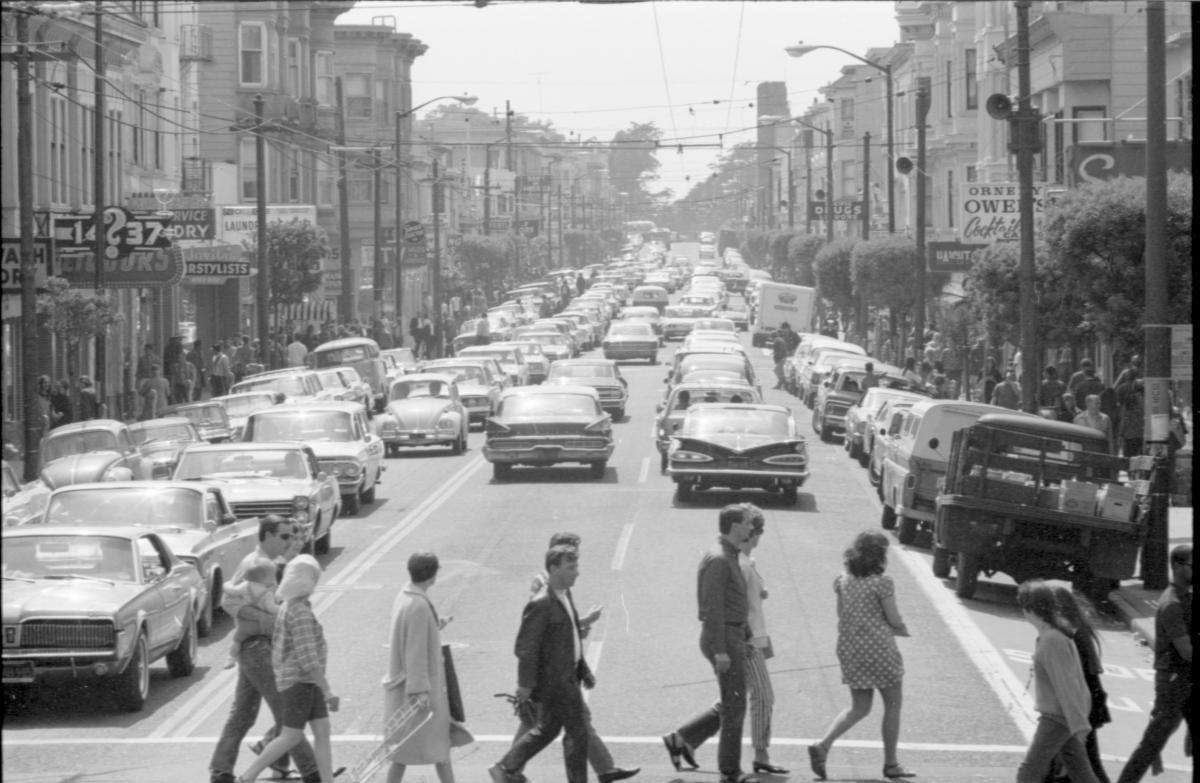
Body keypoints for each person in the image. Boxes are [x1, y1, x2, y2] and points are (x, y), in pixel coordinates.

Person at [209, 516, 325, 783]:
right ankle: (313, 772)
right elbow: (228, 600)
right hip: (257, 647)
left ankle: (222, 771)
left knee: (243, 714)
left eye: (291, 537)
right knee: (288, 713)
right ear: (268, 535)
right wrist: (265, 621)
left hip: (260, 646)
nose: (288, 542)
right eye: (284, 536)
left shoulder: (273, 565)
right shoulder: (254, 564)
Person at [518, 534, 639, 783]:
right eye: (571, 558)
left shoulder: (561, 586)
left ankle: (605, 768)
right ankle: (509, 768)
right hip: (551, 675)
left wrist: (579, 631)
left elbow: (564, 625)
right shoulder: (544, 588)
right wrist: (526, 682)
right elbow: (534, 637)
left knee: (567, 724)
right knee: (543, 725)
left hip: (564, 672)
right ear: (555, 558)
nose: (576, 565)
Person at [662, 504, 758, 783]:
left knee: (733, 701)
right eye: (747, 523)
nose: (751, 528)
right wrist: (720, 650)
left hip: (732, 634)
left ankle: (683, 739)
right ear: (734, 526)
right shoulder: (719, 559)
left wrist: (747, 635)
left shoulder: (728, 555)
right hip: (724, 637)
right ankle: (730, 770)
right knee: (734, 705)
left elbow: (733, 602)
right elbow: (713, 607)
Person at [808, 531, 913, 781]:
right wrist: (900, 628)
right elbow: (893, 617)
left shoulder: (842, 580)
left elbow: (841, 616)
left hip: (850, 648)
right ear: (879, 556)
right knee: (893, 704)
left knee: (859, 707)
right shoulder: (882, 582)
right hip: (879, 648)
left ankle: (823, 745)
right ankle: (891, 763)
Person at [489, 545, 592, 783]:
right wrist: (525, 685)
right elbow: (525, 648)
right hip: (556, 681)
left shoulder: (564, 595)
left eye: (576, 566)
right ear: (553, 569)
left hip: (566, 677)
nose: (576, 572)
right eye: (570, 567)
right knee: (577, 734)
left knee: (548, 729)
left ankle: (505, 768)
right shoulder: (541, 603)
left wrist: (582, 668)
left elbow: (571, 635)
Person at [236, 555, 338, 783]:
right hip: (300, 683)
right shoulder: (299, 612)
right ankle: (247, 777)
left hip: (302, 682)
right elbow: (308, 657)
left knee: (322, 730)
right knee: (291, 735)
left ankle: (327, 780)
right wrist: (328, 690)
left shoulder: (289, 606)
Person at [383, 552, 472, 783]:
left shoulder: (406, 596)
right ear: (432, 575)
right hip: (422, 692)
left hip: (409, 688)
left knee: (411, 751)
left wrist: (436, 624)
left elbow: (414, 635)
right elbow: (415, 652)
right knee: (434, 748)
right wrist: (419, 690)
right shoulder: (419, 606)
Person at [1116, 544, 1192, 783]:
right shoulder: (1172, 605)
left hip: (1183, 679)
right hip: (1174, 681)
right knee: (1153, 742)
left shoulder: (1185, 596)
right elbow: (1187, 651)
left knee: (1155, 740)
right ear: (1177, 567)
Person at [1014, 580, 1099, 783]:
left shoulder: (1052, 640)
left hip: (1058, 718)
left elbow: (1068, 685)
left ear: (1030, 609)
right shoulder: (1052, 635)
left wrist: (1079, 725)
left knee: (1028, 773)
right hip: (1064, 716)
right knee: (1080, 772)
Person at [738, 505, 787, 776]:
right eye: (758, 532)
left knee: (734, 699)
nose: (759, 538)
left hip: (754, 637)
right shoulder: (742, 564)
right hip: (749, 640)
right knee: (764, 697)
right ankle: (761, 754)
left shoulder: (747, 563)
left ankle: (684, 737)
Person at [1050, 585, 1112, 783]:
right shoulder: (1075, 629)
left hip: (1079, 708)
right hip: (1084, 706)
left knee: (1083, 765)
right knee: (1081, 764)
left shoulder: (1068, 635)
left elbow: (1074, 679)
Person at [221, 563, 278, 671]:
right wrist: (282, 609)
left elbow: (232, 590)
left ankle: (231, 659)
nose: (274, 579)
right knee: (276, 637)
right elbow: (271, 608)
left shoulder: (245, 586)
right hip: (262, 625)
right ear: (264, 578)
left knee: (237, 640)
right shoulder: (267, 593)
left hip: (246, 624)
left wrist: (226, 584)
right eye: (272, 576)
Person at [771, 322, 794, 390]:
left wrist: (777, 358)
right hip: (783, 357)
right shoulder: (779, 340)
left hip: (782, 358)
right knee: (780, 371)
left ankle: (783, 383)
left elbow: (779, 351)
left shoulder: (777, 341)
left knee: (778, 371)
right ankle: (781, 384)